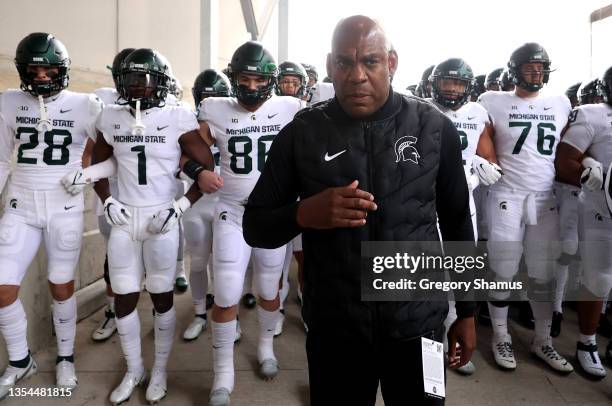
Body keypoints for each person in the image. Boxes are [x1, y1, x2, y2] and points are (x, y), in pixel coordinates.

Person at [243, 16, 477, 405]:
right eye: (345, 63)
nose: (357, 76)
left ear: (392, 62)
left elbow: (457, 221)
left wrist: (468, 311)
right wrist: (304, 214)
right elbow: (255, 226)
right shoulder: (302, 133)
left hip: (422, 328)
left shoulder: (434, 128)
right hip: (336, 334)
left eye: (370, 61)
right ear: (331, 65)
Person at [86, 48, 215, 404]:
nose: (138, 86)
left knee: (161, 295)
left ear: (160, 82)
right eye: (130, 79)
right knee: (124, 297)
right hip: (126, 217)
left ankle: (159, 369)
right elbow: (101, 165)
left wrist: (181, 204)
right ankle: (134, 369)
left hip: (161, 216)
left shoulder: (178, 116)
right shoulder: (110, 116)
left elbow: (207, 169)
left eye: (145, 79)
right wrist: (107, 199)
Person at [197, 41, 303, 406]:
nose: (253, 87)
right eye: (246, 78)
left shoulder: (290, 107)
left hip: (273, 212)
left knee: (269, 290)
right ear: (233, 77)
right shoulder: (213, 109)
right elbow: (186, 147)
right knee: (225, 292)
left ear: (271, 81)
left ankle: (265, 347)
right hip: (232, 210)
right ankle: (222, 374)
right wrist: (198, 171)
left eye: (260, 79)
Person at [0, 32, 103, 396]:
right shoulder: (8, 102)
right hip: (21, 204)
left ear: (62, 69)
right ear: (23, 70)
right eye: (34, 69)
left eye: (48, 69)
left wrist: (87, 173)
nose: (41, 76)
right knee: (2, 285)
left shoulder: (86, 104)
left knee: (61, 285)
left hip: (64, 206)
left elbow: (110, 151)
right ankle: (19, 360)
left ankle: (65, 357)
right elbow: (0, 159)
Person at [478, 42, 573, 373]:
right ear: (513, 69)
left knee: (542, 272)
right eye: (529, 66)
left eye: (541, 67)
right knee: (503, 267)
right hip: (507, 193)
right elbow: (482, 139)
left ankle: (543, 340)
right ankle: (501, 334)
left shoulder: (561, 102)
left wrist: (586, 162)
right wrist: (485, 160)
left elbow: (568, 148)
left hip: (545, 196)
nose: (536, 72)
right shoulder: (492, 101)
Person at [429, 57, 502, 376]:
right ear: (435, 84)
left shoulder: (477, 113)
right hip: (425, 205)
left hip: (461, 205)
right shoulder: (423, 110)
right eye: (447, 82)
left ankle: (453, 339)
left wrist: (480, 168)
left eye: (458, 83)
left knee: (455, 274)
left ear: (468, 87)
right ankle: (431, 345)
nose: (452, 88)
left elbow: (491, 161)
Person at [555, 66, 612, 377]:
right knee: (598, 279)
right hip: (600, 210)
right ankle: (587, 342)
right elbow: (565, 160)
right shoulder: (593, 114)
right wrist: (587, 168)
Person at [181, 68, 231, 341]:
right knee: (199, 260)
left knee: (226, 263)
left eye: (217, 97)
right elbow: (172, 161)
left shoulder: (235, 120)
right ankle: (200, 312)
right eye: (206, 97)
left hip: (227, 203)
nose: (211, 103)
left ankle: (228, 315)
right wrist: (196, 173)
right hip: (198, 201)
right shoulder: (186, 122)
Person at [89, 47, 135, 342]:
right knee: (114, 261)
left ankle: (159, 312)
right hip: (111, 194)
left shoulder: (162, 104)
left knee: (153, 259)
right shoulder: (102, 101)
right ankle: (112, 312)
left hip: (146, 194)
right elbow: (90, 151)